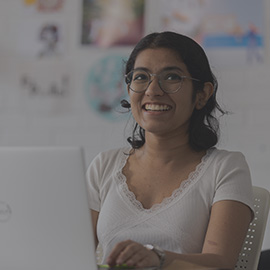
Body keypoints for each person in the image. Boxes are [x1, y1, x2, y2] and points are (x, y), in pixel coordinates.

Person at [86, 31, 254, 269]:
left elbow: (220, 263)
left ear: (202, 94)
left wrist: (159, 258)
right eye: (141, 77)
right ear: (129, 90)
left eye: (172, 77)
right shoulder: (104, 165)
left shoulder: (226, 168)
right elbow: (72, 253)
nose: (153, 90)